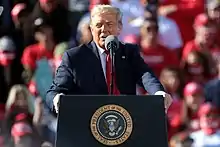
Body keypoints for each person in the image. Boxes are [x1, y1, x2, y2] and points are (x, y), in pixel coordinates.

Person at [46, 5, 173, 113]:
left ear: (119, 28)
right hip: (87, 123)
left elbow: (145, 75)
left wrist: (158, 93)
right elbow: (54, 92)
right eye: (99, 25)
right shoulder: (74, 57)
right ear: (91, 29)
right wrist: (57, 98)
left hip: (124, 123)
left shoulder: (129, 53)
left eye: (109, 24)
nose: (104, 29)